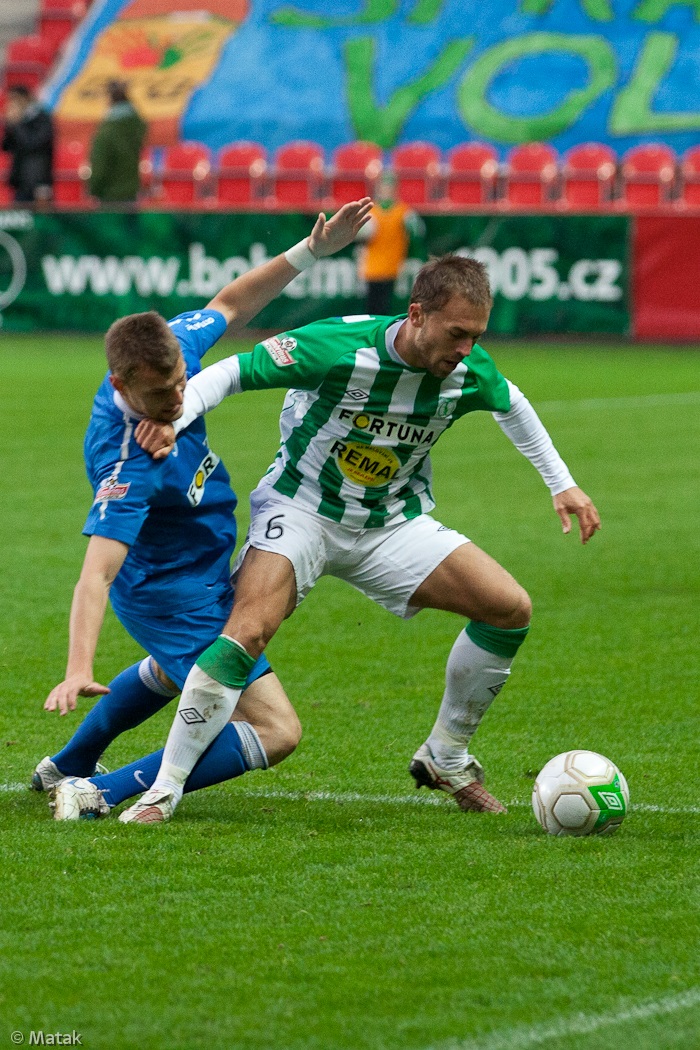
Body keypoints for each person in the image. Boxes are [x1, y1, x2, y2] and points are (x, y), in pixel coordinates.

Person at [115, 253, 601, 825]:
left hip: (389, 524)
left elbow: (513, 404)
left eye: (477, 336)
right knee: (244, 631)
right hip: (301, 513)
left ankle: (445, 754)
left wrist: (562, 484)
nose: (467, 349)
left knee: (509, 609)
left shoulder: (467, 370)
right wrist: (177, 417)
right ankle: (163, 791)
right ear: (417, 314)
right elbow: (233, 371)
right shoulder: (339, 346)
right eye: (457, 334)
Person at [35, 198, 373, 821]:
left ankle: (68, 763)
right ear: (120, 388)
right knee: (277, 731)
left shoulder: (175, 354)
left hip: (203, 565)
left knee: (172, 674)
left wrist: (309, 253)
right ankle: (97, 792)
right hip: (169, 591)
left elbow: (230, 305)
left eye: (181, 385)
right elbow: (95, 575)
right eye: (159, 396)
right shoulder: (125, 461)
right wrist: (78, 667)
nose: (177, 399)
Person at [355, 172, 425, 315]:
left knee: (386, 307)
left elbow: (418, 231)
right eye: (383, 187)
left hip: (392, 267)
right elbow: (360, 237)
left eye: (389, 187)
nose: (386, 190)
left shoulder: (403, 211)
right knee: (371, 307)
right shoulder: (371, 211)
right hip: (372, 267)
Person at [89, 80, 146, 205]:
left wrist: (93, 190)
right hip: (131, 192)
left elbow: (99, 167)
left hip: (109, 196)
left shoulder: (107, 132)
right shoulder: (136, 125)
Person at [1, 85, 54, 204]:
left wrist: (17, 124)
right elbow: (6, 147)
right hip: (20, 182)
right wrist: (9, 126)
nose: (13, 102)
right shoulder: (17, 121)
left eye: (15, 98)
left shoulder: (42, 118)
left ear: (26, 98)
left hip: (38, 182)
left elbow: (33, 144)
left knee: (41, 221)